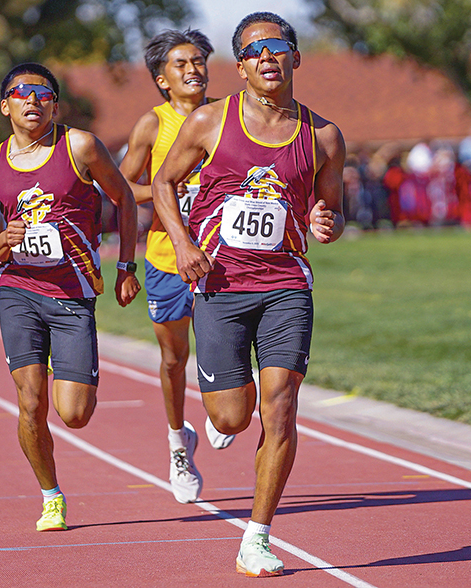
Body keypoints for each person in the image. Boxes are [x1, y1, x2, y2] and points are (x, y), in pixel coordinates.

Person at [151, 12, 345, 577]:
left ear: (294, 58)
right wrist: (184, 246)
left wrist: (326, 222)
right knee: (234, 417)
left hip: (285, 285)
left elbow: (327, 212)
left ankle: (256, 537)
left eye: (277, 46)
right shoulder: (210, 122)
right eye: (254, 50)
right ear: (240, 67)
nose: (267, 57)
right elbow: (163, 184)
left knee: (280, 406)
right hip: (220, 285)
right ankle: (217, 419)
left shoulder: (323, 135)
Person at [0, 62, 140, 532]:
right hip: (19, 291)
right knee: (30, 403)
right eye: (22, 93)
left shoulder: (80, 146)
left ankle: (63, 360)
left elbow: (124, 199)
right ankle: (51, 496)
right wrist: (5, 238)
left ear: (55, 105)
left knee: (75, 414)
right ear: (6, 105)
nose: (33, 100)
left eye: (43, 94)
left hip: (72, 294)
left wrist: (126, 265)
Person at [119, 28, 235, 505]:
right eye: (181, 64)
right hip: (167, 258)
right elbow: (123, 188)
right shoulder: (153, 124)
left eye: (199, 61)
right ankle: (177, 443)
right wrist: (170, 192)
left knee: (228, 341)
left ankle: (222, 403)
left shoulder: (228, 115)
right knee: (173, 358)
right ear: (162, 79)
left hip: (224, 255)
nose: (193, 70)